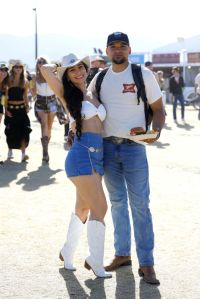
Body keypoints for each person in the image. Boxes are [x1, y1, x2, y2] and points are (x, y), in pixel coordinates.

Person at [88, 32, 165, 285]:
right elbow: (88, 109)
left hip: (134, 149)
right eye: (113, 47)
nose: (118, 50)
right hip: (108, 148)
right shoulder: (99, 79)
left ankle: (147, 263)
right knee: (118, 203)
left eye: (122, 46)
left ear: (129, 50)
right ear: (106, 51)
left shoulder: (143, 75)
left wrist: (154, 133)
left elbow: (158, 109)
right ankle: (122, 254)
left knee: (140, 205)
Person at [40, 53, 112, 278]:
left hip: (98, 155)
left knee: (83, 209)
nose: (79, 72)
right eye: (73, 70)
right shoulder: (65, 93)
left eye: (81, 67)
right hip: (82, 155)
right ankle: (95, 260)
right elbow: (44, 68)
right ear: (67, 75)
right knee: (100, 208)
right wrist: (63, 66)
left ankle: (67, 251)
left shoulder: (93, 92)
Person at [4, 60, 31, 162]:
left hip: (21, 109)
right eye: (16, 67)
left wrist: (27, 106)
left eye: (20, 67)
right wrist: (6, 109)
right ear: (13, 69)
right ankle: (10, 150)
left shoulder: (25, 81)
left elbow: (25, 96)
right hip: (11, 109)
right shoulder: (8, 80)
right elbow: (6, 97)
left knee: (24, 131)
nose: (18, 69)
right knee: (10, 131)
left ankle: (23, 154)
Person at [32, 56, 58, 163]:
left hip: (52, 100)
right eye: (39, 62)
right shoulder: (35, 77)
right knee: (44, 124)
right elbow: (33, 93)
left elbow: (58, 88)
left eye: (43, 62)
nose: (41, 63)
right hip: (41, 101)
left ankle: (46, 147)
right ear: (37, 64)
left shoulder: (53, 75)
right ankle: (45, 153)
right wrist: (33, 85)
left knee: (50, 126)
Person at [0, 63, 9, 164]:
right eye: (1, 70)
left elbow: (4, 100)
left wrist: (5, 110)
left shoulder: (5, 84)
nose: (3, 72)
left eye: (5, 70)